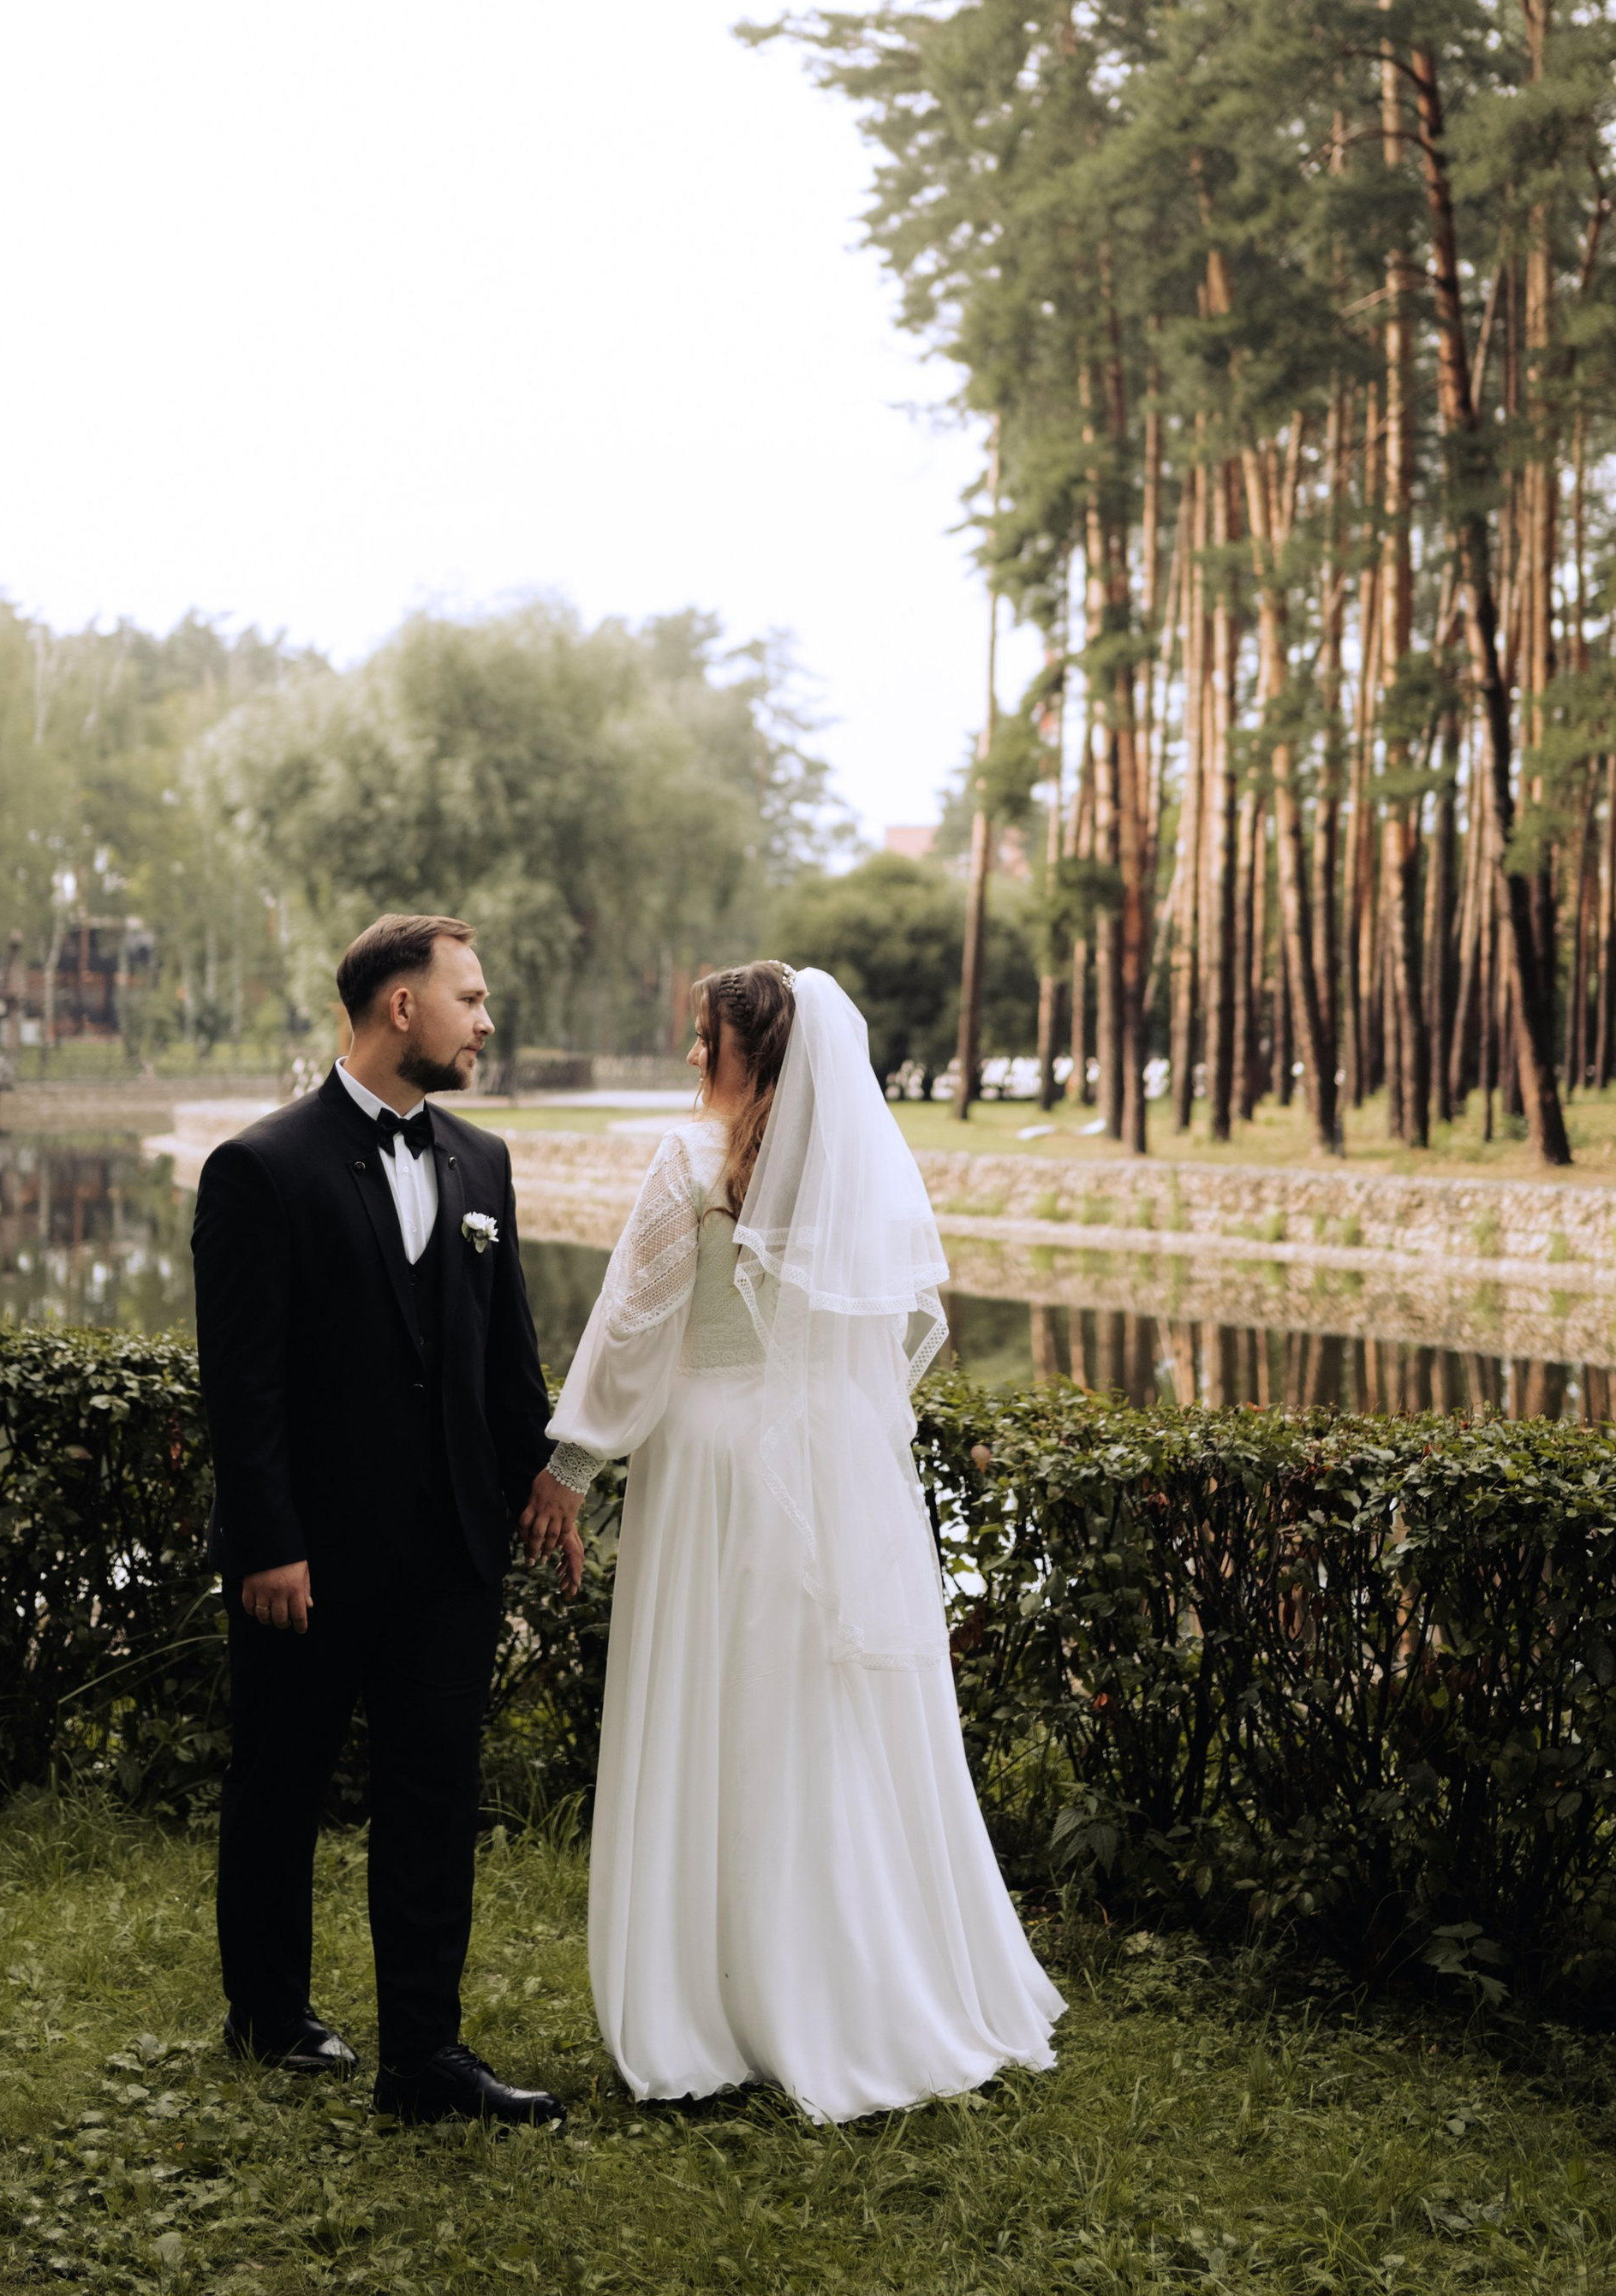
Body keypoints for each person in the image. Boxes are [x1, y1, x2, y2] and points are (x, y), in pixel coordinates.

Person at [524, 959, 1062, 2123]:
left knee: (722, 1708)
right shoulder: (843, 1173)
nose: (688, 1058)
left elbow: (630, 1328)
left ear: (747, 1052)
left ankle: (718, 1995)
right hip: (828, 1460)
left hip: (716, 1464)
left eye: (703, 1037)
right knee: (815, 1714)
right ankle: (862, 1975)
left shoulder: (688, 1164)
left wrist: (566, 1465)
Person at [193, 910, 583, 2126]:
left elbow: (507, 1356)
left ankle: (425, 2058)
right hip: (309, 1554)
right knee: (280, 1785)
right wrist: (267, 1540)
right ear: (399, 1008)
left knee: (433, 1796)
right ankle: (268, 2014)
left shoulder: (482, 1162)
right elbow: (242, 1380)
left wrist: (542, 1479)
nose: (486, 1019)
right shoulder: (262, 1167)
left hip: (450, 1552)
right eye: (468, 998)